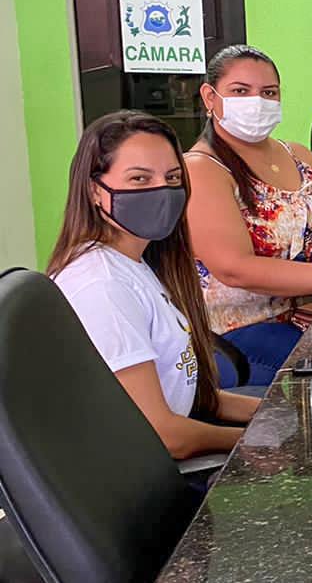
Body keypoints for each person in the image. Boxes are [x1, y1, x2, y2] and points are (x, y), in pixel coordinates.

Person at [48, 111, 258, 460]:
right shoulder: (102, 284)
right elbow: (164, 436)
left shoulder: (137, 261)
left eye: (172, 178)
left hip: (176, 440)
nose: (161, 191)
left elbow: (187, 397)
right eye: (139, 179)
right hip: (146, 475)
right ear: (95, 190)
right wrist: (257, 441)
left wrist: (275, 415)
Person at [184, 45, 312, 387]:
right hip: (236, 335)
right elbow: (235, 268)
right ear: (210, 97)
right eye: (241, 91)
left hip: (308, 314)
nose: (257, 102)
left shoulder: (298, 155)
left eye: (269, 92)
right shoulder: (202, 169)